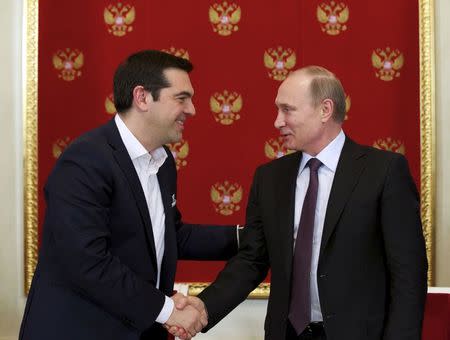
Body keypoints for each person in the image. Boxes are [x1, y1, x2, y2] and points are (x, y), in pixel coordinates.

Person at [173, 66, 428, 340]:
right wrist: (204, 307)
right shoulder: (270, 178)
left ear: (325, 110)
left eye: (287, 110)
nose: (277, 121)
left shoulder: (384, 172)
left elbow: (408, 273)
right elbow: (252, 259)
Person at [19, 50, 240, 340]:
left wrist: (248, 236)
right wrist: (168, 310)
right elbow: (87, 261)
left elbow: (170, 236)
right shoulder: (85, 160)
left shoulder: (163, 162)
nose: (192, 110)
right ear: (143, 97)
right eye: (181, 98)